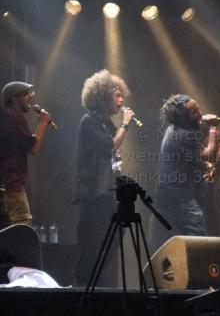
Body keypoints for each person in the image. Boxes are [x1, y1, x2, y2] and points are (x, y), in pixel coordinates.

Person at [73, 69, 135, 287]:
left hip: (108, 196)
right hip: (92, 196)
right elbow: (110, 147)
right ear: (102, 96)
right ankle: (81, 298)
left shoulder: (108, 124)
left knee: (112, 245)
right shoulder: (88, 121)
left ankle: (103, 295)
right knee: (91, 252)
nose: (121, 100)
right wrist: (126, 123)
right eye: (117, 95)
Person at [157, 94, 218, 236]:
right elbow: (208, 152)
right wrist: (213, 128)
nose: (200, 114)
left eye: (198, 109)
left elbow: (190, 158)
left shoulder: (173, 129)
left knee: (186, 236)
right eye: (194, 112)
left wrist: (207, 166)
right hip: (178, 194)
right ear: (182, 118)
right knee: (198, 234)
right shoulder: (184, 135)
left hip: (170, 192)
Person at [0, 81, 51, 227]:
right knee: (22, 228)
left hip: (6, 183)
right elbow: (33, 148)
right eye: (26, 94)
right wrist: (42, 123)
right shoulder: (14, 116)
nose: (31, 97)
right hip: (12, 183)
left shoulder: (7, 116)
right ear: (14, 99)